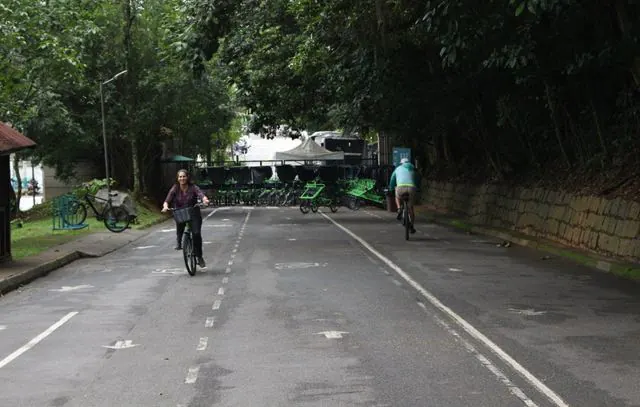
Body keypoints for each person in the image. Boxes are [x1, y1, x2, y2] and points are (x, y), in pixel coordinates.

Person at [162, 169, 210, 267]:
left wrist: (205, 200)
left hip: (193, 213)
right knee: (179, 224)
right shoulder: (175, 188)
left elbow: (200, 194)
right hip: (181, 213)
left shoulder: (193, 187)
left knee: (196, 234)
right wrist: (165, 206)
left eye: (184, 176)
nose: (182, 178)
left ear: (187, 177)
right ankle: (179, 242)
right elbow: (167, 199)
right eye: (180, 177)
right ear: (177, 178)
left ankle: (199, 256)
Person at [388, 157, 419, 234]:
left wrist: (391, 188)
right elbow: (417, 180)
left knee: (397, 195)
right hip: (411, 188)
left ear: (401, 163)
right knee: (410, 208)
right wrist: (417, 187)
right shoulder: (413, 169)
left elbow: (392, 179)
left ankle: (399, 208)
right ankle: (412, 225)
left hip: (400, 188)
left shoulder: (398, 169)